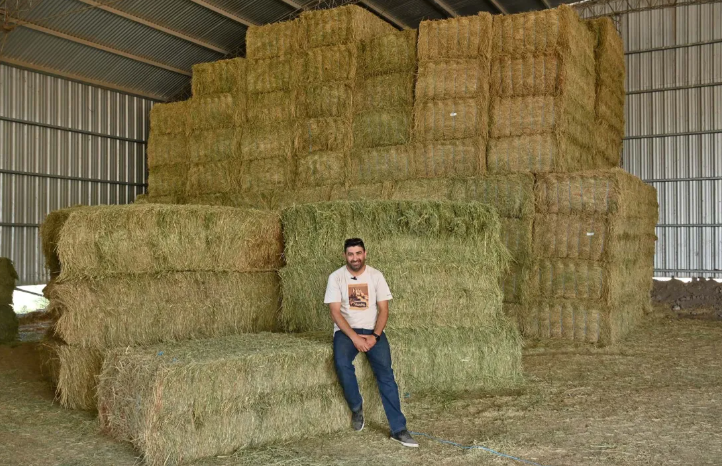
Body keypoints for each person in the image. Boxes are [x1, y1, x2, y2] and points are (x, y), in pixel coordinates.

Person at [324, 237, 418, 448]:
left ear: (365, 254)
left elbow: (384, 310)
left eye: (358, 253)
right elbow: (335, 312)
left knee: (386, 374)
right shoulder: (336, 277)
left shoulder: (376, 276)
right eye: (350, 254)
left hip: (373, 331)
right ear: (345, 256)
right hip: (346, 332)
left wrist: (375, 336)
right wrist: (354, 338)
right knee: (341, 364)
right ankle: (356, 407)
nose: (354, 258)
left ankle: (399, 429)